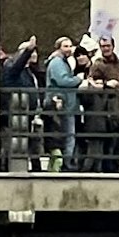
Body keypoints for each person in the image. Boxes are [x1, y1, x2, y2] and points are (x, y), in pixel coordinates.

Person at [83, 37, 119, 173]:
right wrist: (106, 85)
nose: (106, 49)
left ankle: (115, 170)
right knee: (109, 145)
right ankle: (108, 171)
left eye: (108, 46)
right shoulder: (98, 65)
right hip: (107, 109)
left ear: (113, 46)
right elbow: (93, 85)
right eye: (103, 46)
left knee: (118, 144)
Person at [0, 38, 42, 172]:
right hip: (13, 115)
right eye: (30, 53)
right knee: (11, 144)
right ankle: (5, 168)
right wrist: (28, 50)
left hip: (28, 114)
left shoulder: (28, 72)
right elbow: (17, 67)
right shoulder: (11, 68)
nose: (33, 55)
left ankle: (36, 168)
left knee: (31, 143)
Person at [43, 36, 82, 170]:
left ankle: (64, 163)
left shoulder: (63, 62)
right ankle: (66, 163)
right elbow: (62, 81)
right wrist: (78, 79)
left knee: (66, 136)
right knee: (67, 136)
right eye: (65, 46)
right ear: (58, 48)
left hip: (66, 105)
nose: (69, 49)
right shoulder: (57, 63)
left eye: (70, 46)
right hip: (62, 106)